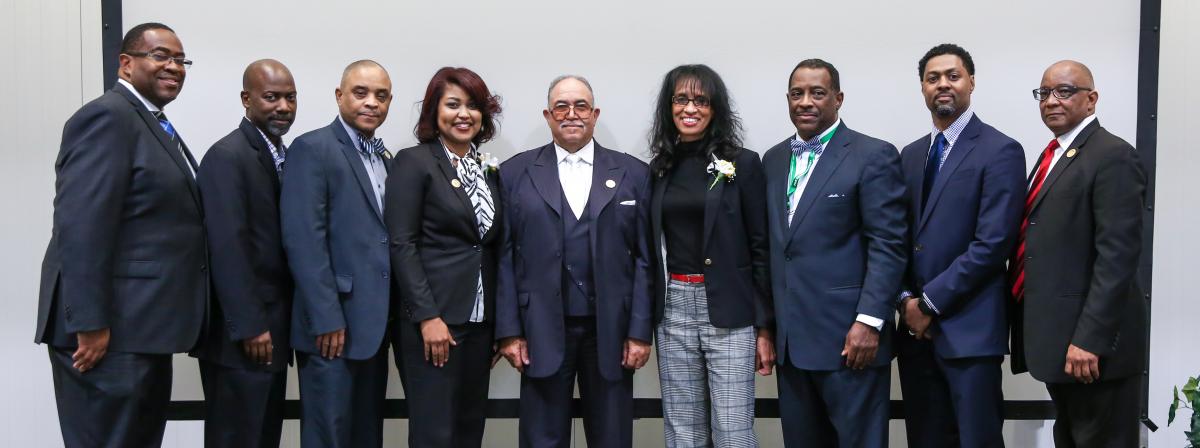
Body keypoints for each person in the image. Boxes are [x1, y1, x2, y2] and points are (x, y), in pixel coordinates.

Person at [34, 22, 207, 447]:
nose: (174, 66)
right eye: (161, 55)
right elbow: (81, 225)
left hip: (142, 329)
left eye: (180, 59)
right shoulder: (107, 117)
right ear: (126, 64)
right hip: (108, 336)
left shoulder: (150, 122)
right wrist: (89, 323)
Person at [495, 75, 653, 448]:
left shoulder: (634, 174)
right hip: (540, 329)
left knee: (612, 437)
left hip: (611, 331)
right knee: (542, 438)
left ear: (595, 114)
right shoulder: (515, 173)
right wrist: (509, 332)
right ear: (548, 116)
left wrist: (639, 331)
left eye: (580, 106)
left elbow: (646, 259)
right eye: (561, 107)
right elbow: (503, 256)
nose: (571, 114)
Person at [763, 59, 907, 448]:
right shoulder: (773, 160)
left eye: (817, 93)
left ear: (838, 99)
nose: (805, 102)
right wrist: (768, 327)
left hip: (849, 342)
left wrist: (869, 321)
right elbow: (778, 250)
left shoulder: (872, 155)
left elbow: (888, 246)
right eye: (797, 93)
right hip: (792, 346)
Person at [895, 44, 1026, 448]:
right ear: (922, 88)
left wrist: (928, 304)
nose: (943, 85)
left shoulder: (1000, 150)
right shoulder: (911, 154)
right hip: (915, 337)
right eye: (933, 78)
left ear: (971, 82)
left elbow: (993, 244)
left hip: (969, 331)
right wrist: (904, 301)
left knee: (976, 440)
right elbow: (897, 239)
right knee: (924, 439)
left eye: (953, 75)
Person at [1011, 60, 1147, 447]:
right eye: (1044, 93)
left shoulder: (1113, 156)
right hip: (1060, 346)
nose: (1052, 100)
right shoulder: (1053, 154)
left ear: (1091, 99)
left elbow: (1117, 260)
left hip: (1094, 353)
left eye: (1065, 91)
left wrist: (1090, 339)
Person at [646, 64, 773, 448]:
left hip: (730, 310)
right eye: (682, 99)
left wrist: (765, 325)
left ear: (715, 109)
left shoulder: (743, 164)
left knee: (734, 430)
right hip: (673, 309)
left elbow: (760, 246)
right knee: (684, 430)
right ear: (669, 107)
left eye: (701, 100)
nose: (691, 108)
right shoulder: (658, 169)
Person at [385, 66, 504, 447]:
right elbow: (402, 243)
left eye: (473, 105)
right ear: (435, 111)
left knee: (470, 428)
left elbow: (488, 245)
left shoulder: (486, 168)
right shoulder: (414, 161)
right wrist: (427, 317)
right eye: (453, 104)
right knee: (434, 433)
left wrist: (499, 325)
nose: (464, 114)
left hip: (480, 323)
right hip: (434, 324)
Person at [280, 60, 394, 447]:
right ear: (339, 96)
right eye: (361, 93)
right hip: (332, 327)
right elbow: (303, 241)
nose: (371, 103)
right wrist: (326, 318)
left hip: (373, 327)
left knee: (365, 436)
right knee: (328, 436)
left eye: (381, 96)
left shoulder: (383, 157)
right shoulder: (312, 148)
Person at [192, 59, 297, 448]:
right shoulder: (228, 155)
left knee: (263, 435)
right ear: (246, 99)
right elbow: (227, 246)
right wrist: (251, 324)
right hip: (244, 336)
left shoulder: (280, 154)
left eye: (290, 97)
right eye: (271, 97)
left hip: (274, 332)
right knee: (238, 437)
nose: (283, 107)